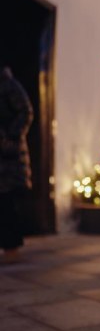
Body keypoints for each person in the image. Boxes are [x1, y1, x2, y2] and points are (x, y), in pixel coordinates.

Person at [0, 64, 33, 264]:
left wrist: (10, 137)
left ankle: (11, 249)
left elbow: (26, 111)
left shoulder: (8, 85)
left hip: (7, 156)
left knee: (7, 202)